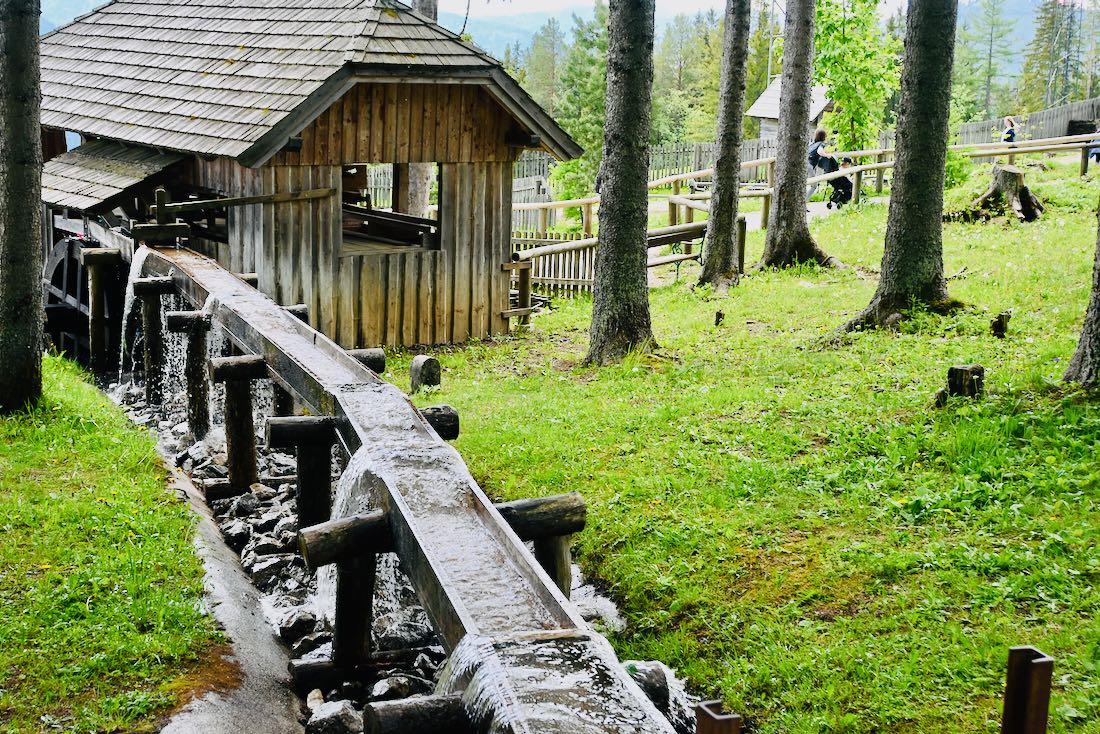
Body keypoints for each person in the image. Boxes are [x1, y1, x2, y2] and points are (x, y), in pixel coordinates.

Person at [807, 129, 834, 198]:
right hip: (809, 165)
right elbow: (820, 151)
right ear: (824, 137)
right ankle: (802, 202)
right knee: (814, 186)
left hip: (805, 164)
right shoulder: (821, 144)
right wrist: (827, 155)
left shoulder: (812, 144)